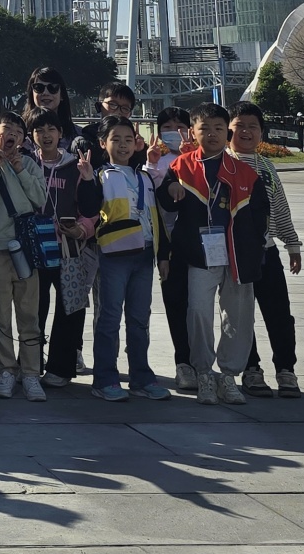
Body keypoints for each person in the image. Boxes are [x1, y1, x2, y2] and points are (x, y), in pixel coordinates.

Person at [160, 103, 264, 407]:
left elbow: (260, 216)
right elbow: (164, 205)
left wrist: (254, 250)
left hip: (237, 257)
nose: (212, 134)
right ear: (192, 132)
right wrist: (170, 190)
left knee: (238, 317)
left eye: (219, 128)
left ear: (227, 132)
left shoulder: (245, 172)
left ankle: (229, 376)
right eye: (204, 128)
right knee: (198, 312)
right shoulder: (181, 167)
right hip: (199, 256)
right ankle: (204, 372)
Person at [88, 117, 172, 402]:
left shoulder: (145, 176)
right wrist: (86, 179)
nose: (123, 145)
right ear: (103, 143)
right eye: (116, 139)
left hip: (144, 254)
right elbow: (88, 207)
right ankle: (105, 379)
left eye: (128, 139)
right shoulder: (101, 175)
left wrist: (163, 255)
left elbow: (156, 216)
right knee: (110, 317)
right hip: (114, 255)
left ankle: (141, 378)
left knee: (139, 319)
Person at [0, 110, 48, 400]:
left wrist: (21, 171)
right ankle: (6, 369)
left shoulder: (29, 163)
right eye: (6, 129)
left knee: (29, 314)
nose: (12, 134)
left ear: (23, 139)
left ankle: (31, 373)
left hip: (25, 247)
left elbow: (40, 198)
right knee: (0, 315)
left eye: (17, 131)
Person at [230, 102, 303, 397]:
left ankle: (286, 370)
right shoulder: (224, 164)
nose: (246, 132)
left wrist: (292, 243)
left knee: (279, 314)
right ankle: (251, 369)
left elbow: (280, 208)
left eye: (253, 126)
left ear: (262, 132)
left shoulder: (268, 167)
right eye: (240, 126)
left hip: (267, 250)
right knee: (242, 315)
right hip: (236, 254)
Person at [26, 108, 97, 388]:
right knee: (33, 308)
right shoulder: (27, 164)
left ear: (60, 133)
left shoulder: (75, 166)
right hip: (34, 248)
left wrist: (82, 229)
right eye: (39, 130)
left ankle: (60, 367)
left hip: (69, 247)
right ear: (31, 135)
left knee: (71, 307)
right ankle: (31, 364)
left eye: (51, 129)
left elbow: (91, 209)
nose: (46, 135)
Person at [146, 105, 196, 389]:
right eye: (167, 127)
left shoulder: (202, 157)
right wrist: (152, 164)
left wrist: (191, 157)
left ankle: (201, 361)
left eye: (180, 126)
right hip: (170, 243)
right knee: (176, 303)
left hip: (201, 244)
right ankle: (184, 363)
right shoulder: (157, 161)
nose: (174, 132)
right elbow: (154, 202)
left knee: (199, 308)